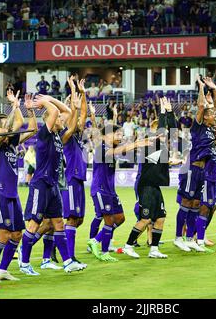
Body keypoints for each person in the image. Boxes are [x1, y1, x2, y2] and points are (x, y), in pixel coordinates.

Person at [20, 94, 85, 274]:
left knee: (58, 223)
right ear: (51, 120)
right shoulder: (45, 134)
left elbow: (69, 117)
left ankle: (67, 262)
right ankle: (24, 262)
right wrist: (44, 101)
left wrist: (75, 107)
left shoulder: (58, 137)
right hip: (40, 184)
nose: (62, 120)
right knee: (33, 225)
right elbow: (56, 111)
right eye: (59, 119)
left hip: (53, 185)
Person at [0, 90, 38, 281]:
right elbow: (8, 129)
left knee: (17, 234)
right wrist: (13, 108)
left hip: (13, 195)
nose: (9, 128)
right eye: (4, 125)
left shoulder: (11, 144)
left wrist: (26, 109)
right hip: (0, 194)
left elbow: (32, 129)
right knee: (4, 234)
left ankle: (3, 270)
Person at [122, 97, 178, 259]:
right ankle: (128, 246)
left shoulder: (163, 145)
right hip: (145, 185)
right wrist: (162, 111)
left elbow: (173, 131)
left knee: (160, 217)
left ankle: (154, 249)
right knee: (145, 219)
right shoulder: (150, 143)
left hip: (155, 186)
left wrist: (170, 112)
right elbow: (164, 130)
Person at [87, 125, 152, 262]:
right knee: (108, 221)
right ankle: (104, 251)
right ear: (106, 136)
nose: (120, 137)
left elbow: (121, 151)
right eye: (117, 134)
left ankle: (96, 240)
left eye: (121, 135)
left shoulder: (112, 148)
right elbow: (114, 152)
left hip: (111, 191)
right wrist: (135, 144)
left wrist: (141, 144)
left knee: (120, 218)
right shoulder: (101, 147)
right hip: (100, 190)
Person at [174, 75, 216, 252]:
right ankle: (178, 237)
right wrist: (201, 87)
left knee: (195, 204)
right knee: (186, 202)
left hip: (203, 172)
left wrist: (214, 89)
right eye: (211, 114)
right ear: (205, 117)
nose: (214, 115)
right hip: (192, 168)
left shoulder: (211, 128)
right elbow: (202, 106)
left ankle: (189, 238)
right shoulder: (199, 127)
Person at [60, 77, 89, 267]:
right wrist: (72, 94)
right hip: (69, 179)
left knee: (78, 219)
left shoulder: (77, 135)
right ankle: (68, 257)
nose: (79, 121)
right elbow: (73, 118)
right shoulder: (64, 135)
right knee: (70, 219)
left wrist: (83, 93)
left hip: (78, 179)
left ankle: (60, 247)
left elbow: (83, 116)